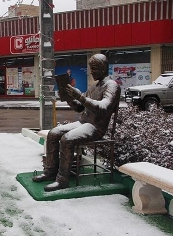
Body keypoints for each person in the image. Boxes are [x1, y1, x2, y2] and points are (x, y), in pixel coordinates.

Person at [32, 53, 121, 192]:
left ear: (103, 68)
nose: (91, 72)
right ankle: (50, 172)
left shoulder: (112, 86)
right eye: (91, 68)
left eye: (94, 69)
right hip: (83, 123)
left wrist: (79, 96)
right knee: (53, 133)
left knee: (67, 139)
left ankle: (62, 180)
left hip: (95, 128)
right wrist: (69, 98)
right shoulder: (93, 87)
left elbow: (103, 108)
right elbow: (80, 107)